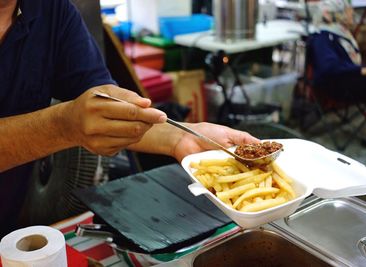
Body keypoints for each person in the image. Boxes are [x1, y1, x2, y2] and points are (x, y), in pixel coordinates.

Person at [0, 0, 259, 237]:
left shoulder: (51, 9)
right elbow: (71, 124)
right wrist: (63, 126)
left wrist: (181, 136)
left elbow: (109, 109)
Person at [309, 0, 366, 156]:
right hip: (337, 86)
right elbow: (329, 68)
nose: (352, 13)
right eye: (348, 10)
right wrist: (362, 71)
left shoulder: (340, 33)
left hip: (351, 80)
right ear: (334, 14)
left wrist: (362, 72)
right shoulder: (322, 36)